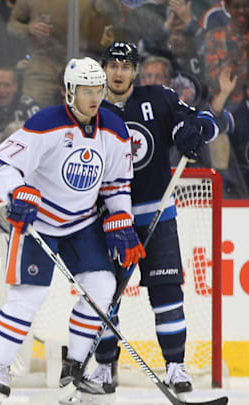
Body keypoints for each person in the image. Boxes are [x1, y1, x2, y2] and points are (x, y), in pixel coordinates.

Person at [0, 57, 145, 400]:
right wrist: (19, 191)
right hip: (39, 224)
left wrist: (121, 220)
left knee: (102, 286)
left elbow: (117, 184)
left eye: (98, 89)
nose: (94, 96)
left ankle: (74, 366)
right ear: (70, 91)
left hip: (81, 224)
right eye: (86, 89)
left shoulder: (114, 129)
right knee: (29, 296)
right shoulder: (46, 124)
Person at [84, 41, 219, 399]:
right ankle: (103, 367)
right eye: (112, 65)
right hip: (108, 219)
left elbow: (203, 120)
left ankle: (175, 366)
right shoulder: (89, 105)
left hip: (157, 214)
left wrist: (196, 132)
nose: (118, 72)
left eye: (125, 66)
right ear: (103, 68)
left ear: (135, 70)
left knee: (166, 292)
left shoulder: (158, 97)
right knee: (105, 296)